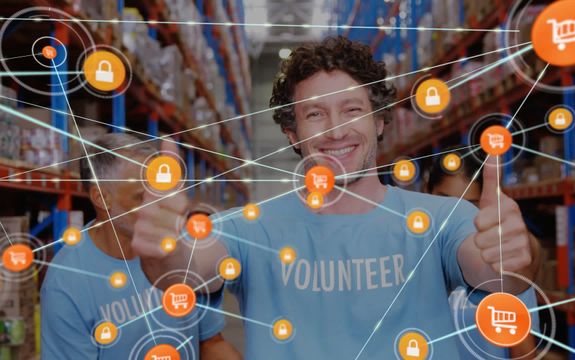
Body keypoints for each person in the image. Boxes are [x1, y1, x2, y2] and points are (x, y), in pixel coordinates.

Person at [133, 36, 541, 359]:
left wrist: (511, 256)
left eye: (351, 110)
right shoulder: (252, 226)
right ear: (292, 134)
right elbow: (187, 270)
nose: (335, 130)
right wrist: (160, 248)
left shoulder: (442, 218)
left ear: (380, 121)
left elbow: (493, 273)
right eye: (314, 114)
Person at [40, 133, 241, 359]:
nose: (157, 209)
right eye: (142, 197)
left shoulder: (181, 253)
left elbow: (212, 343)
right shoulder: (67, 284)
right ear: (102, 198)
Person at [425, 148, 541, 359]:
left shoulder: (500, 264)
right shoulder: (409, 258)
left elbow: (523, 351)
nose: (454, 216)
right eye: (445, 202)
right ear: (427, 193)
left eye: (468, 205)